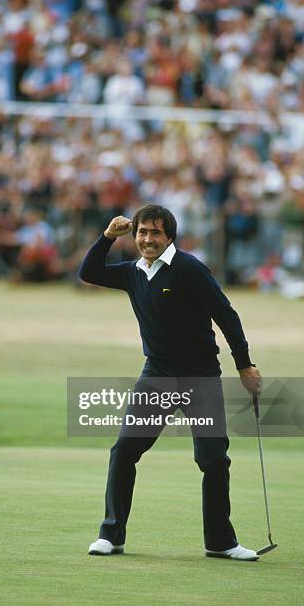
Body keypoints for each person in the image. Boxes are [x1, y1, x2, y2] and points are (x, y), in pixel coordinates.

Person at [79, 204, 262, 561]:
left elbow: (226, 315)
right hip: (157, 376)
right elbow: (89, 271)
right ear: (135, 236)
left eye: (155, 233)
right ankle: (111, 535)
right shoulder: (133, 272)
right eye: (142, 233)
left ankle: (221, 542)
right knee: (124, 451)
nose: (148, 239)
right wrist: (106, 238)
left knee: (212, 459)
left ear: (169, 237)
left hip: (200, 376)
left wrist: (245, 365)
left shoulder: (190, 269)